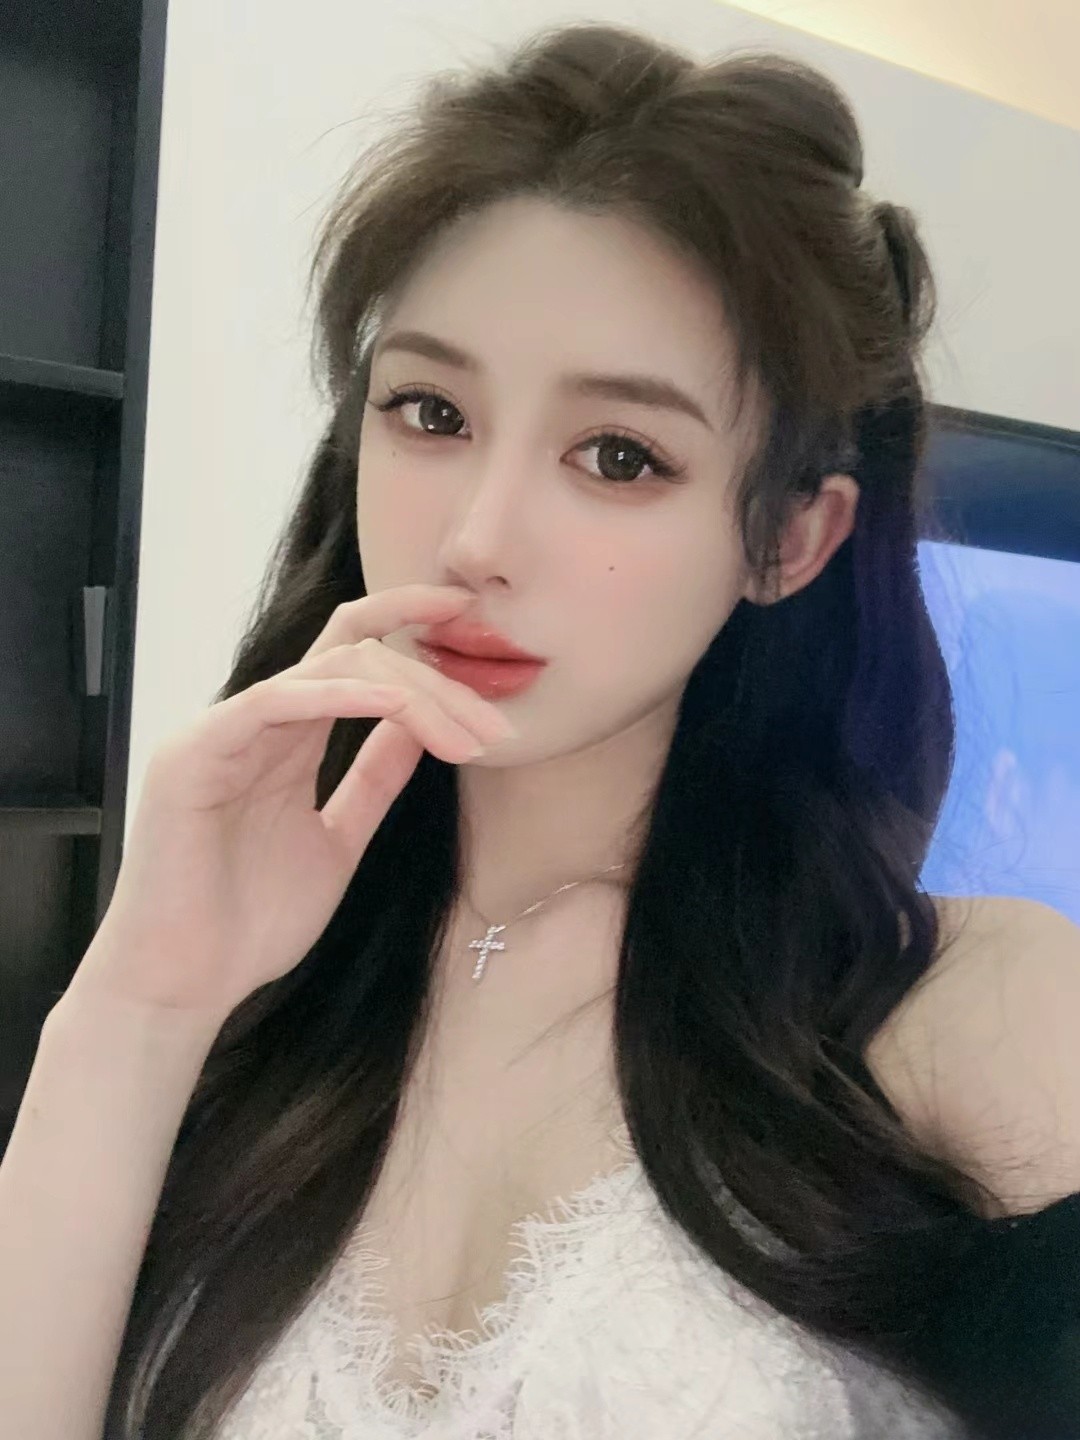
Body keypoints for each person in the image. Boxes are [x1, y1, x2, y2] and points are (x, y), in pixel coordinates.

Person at [3, 21, 1079, 1440]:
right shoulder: (252, 993)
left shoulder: (958, 1005)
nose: (477, 537)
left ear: (790, 538)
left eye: (619, 456)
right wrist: (139, 1007)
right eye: (430, 411)